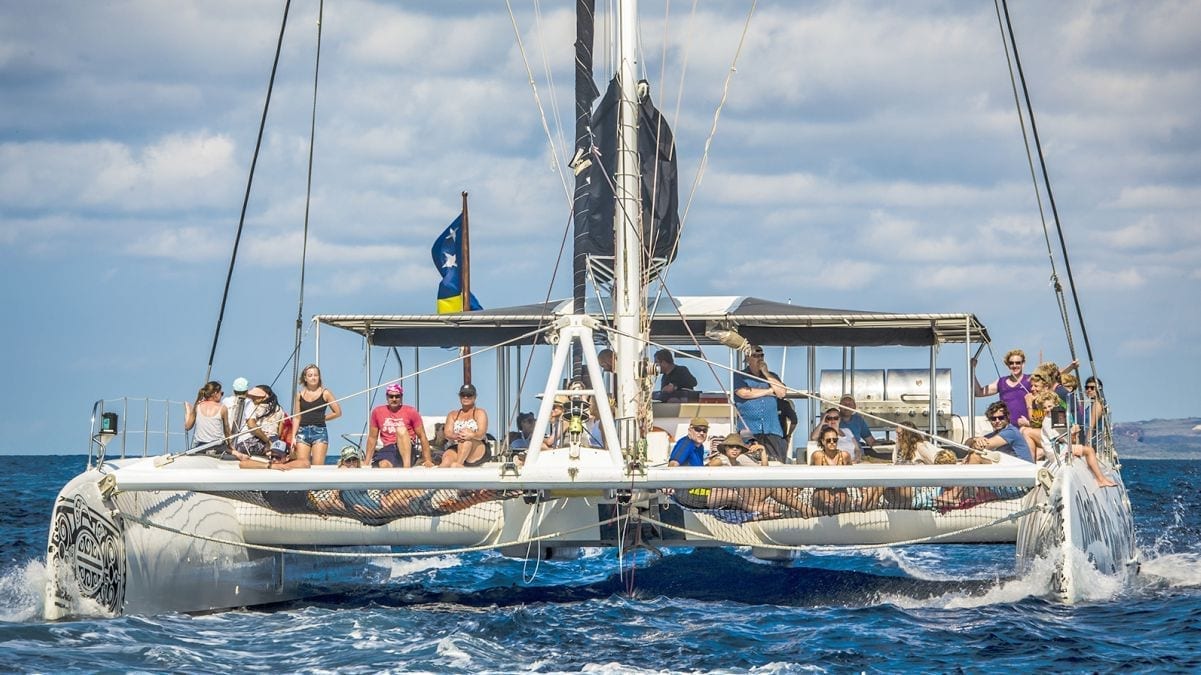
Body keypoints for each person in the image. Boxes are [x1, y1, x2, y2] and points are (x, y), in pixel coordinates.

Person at [733, 346, 788, 463]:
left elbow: (782, 393)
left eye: (761, 356)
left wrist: (766, 373)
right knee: (748, 462)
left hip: (772, 429)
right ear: (748, 359)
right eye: (755, 356)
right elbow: (744, 393)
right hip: (748, 428)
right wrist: (769, 391)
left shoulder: (773, 377)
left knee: (775, 463)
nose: (759, 358)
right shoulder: (739, 375)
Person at [365, 383, 433, 468]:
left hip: (407, 449)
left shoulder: (411, 411)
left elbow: (422, 436)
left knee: (401, 430)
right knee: (383, 465)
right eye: (391, 396)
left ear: (401, 397)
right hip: (389, 449)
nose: (394, 399)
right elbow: (372, 438)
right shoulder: (377, 412)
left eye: (397, 396)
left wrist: (428, 460)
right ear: (387, 397)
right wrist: (366, 462)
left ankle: (406, 469)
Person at [293, 364, 342, 467]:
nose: (313, 377)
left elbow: (337, 412)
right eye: (310, 375)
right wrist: (293, 436)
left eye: (316, 375)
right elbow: (297, 417)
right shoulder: (299, 395)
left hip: (319, 432)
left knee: (317, 467)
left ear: (319, 377)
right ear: (305, 378)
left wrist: (323, 418)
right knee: (302, 465)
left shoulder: (325, 393)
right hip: (302, 432)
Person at [973, 348, 1032, 428]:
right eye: (1011, 363)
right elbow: (979, 393)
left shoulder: (1030, 380)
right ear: (1008, 365)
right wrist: (972, 371)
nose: (1014, 365)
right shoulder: (1001, 382)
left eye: (1018, 363)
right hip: (1006, 428)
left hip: (1025, 427)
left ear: (1023, 364)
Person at [233, 385, 288, 468]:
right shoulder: (279, 409)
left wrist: (266, 440)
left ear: (265, 397)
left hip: (259, 438)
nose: (253, 398)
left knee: (239, 447)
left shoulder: (254, 407)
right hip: (274, 439)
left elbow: (251, 425)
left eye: (255, 397)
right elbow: (279, 431)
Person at [441, 383, 490, 467]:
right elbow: (447, 433)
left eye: (469, 395)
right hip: (456, 446)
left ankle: (458, 464)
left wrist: (471, 435)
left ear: (475, 397)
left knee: (466, 440)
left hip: (477, 447)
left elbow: (481, 434)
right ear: (459, 396)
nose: (466, 397)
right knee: (446, 461)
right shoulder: (453, 415)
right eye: (463, 395)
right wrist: (458, 436)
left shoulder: (480, 413)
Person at [965, 401, 1033, 462]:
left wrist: (976, 442)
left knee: (975, 456)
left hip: (1022, 467)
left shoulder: (1011, 432)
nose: (997, 421)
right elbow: (966, 446)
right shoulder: (991, 436)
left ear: (1007, 417)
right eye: (993, 419)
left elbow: (984, 446)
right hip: (1008, 466)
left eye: (1001, 418)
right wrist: (975, 439)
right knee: (969, 457)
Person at [809, 425, 852, 515]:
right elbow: (810, 476)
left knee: (840, 497)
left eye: (835, 440)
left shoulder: (845, 455)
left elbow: (854, 475)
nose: (832, 442)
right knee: (825, 497)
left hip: (840, 489)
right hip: (821, 489)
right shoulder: (817, 456)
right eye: (828, 440)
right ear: (823, 441)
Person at [184, 381, 231, 455]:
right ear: (215, 393)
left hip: (200, 447)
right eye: (221, 393)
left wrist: (188, 412)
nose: (222, 396)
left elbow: (187, 426)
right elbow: (227, 430)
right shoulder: (223, 408)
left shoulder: (197, 406)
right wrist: (230, 445)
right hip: (217, 447)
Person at [222, 377, 255, 447]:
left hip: (227, 439)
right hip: (243, 440)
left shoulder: (225, 401)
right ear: (247, 391)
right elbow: (251, 425)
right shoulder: (249, 402)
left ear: (234, 391)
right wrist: (267, 440)